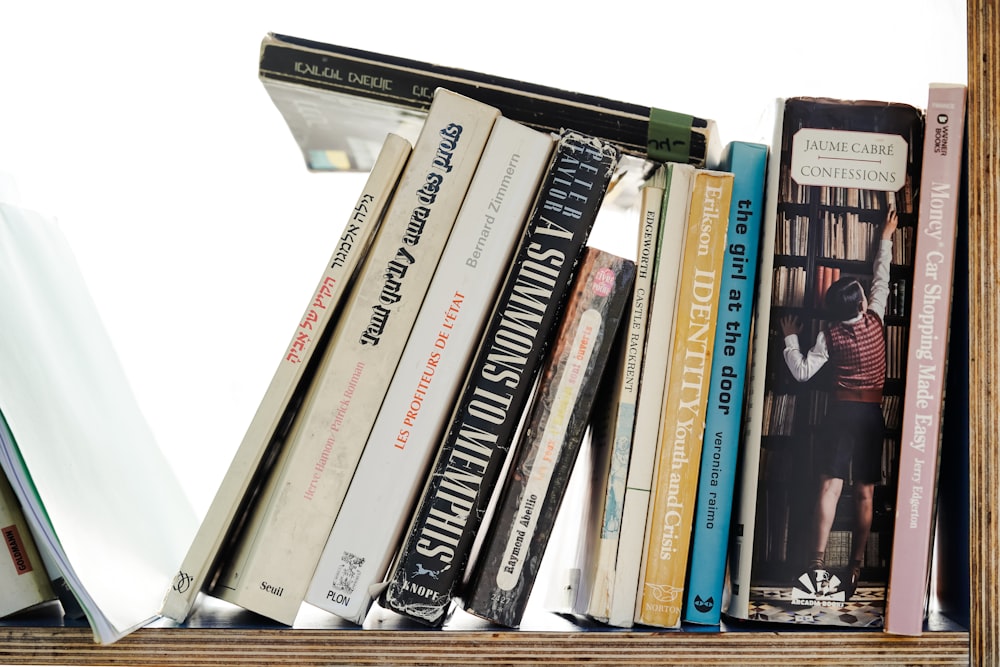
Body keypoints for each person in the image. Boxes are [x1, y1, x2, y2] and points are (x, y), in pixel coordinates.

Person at [778, 208, 897, 598]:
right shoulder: (877, 318)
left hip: (840, 415)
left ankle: (814, 565)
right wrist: (885, 237)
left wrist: (791, 338)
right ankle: (856, 566)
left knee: (828, 489)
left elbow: (801, 373)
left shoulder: (829, 335)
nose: (866, 291)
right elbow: (882, 276)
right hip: (870, 416)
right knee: (865, 493)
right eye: (862, 294)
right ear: (863, 306)